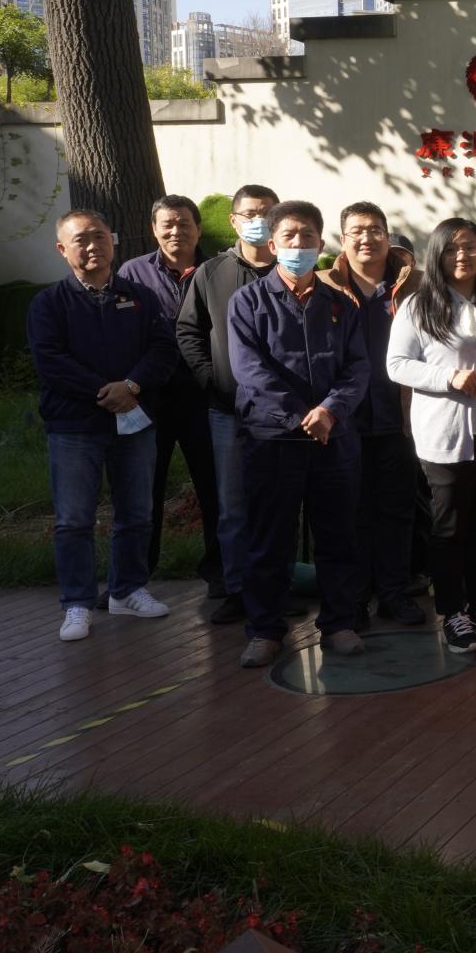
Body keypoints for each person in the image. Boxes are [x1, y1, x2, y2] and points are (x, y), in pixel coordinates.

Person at [226, 201, 372, 668]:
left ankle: (340, 623)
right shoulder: (248, 302)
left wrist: (330, 411)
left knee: (338, 535)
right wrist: (300, 416)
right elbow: (249, 371)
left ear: (321, 244)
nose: (298, 244)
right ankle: (265, 630)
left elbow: (358, 367)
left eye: (307, 236)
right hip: (273, 438)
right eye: (288, 236)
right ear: (272, 245)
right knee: (270, 539)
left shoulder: (339, 304)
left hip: (334, 437)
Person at [29, 210, 180, 642]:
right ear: (63, 250)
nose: (92, 245)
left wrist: (131, 386)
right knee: (74, 520)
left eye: (99, 236)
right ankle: (77, 603)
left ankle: (127, 590)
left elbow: (163, 350)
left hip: (134, 421)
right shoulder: (49, 303)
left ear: (113, 241)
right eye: (80, 240)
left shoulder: (140, 297)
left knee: (137, 513)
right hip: (75, 427)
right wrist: (104, 391)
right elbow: (50, 362)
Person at [386, 218, 476, 654]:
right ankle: (452, 611)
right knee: (449, 525)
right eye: (451, 249)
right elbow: (396, 365)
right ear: (438, 255)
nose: (462, 256)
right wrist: (447, 377)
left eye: (470, 247)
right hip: (445, 432)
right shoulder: (419, 306)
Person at [176, 183, 294, 626]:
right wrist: (211, 379)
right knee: (233, 506)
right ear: (233, 220)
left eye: (267, 213)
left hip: (284, 413)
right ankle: (237, 589)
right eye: (249, 214)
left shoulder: (291, 271)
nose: (258, 221)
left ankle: (279, 589)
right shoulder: (211, 273)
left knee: (280, 505)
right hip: (227, 410)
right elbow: (188, 331)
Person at [318, 201, 426, 627]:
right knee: (351, 512)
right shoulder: (324, 287)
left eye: (375, 230)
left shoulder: (416, 285)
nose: (367, 239)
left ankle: (395, 593)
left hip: (400, 417)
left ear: (388, 235)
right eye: (357, 231)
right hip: (344, 419)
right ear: (343, 240)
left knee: (397, 510)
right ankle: (356, 598)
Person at [117, 194, 221, 594]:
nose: (176, 231)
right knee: (145, 491)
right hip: (150, 398)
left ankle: (221, 574)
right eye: (167, 224)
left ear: (198, 228)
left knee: (215, 489)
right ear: (154, 230)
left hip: (204, 396)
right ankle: (136, 579)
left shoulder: (218, 270)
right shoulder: (132, 273)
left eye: (184, 223)